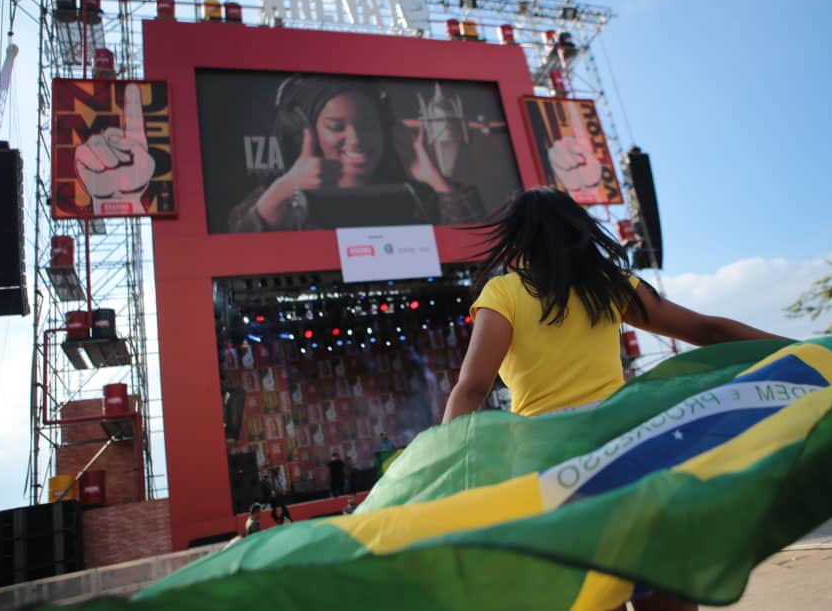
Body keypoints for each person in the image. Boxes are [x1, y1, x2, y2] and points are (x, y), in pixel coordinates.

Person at [443, 187, 787, 611]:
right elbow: (710, 331)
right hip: (627, 452)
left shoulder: (504, 293)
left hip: (550, 469)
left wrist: (444, 471)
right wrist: (811, 349)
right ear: (577, 232)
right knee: (666, 593)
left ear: (517, 242)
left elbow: (473, 387)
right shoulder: (608, 285)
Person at [228, 75, 484, 232]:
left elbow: (478, 249)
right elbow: (234, 252)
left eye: (368, 126)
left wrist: (432, 178)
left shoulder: (421, 196)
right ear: (305, 132)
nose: (356, 140)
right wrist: (284, 189)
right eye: (336, 127)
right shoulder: (278, 199)